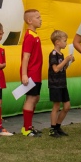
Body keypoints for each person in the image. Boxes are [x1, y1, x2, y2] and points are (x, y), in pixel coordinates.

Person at [19, 9, 45, 137]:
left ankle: (28, 125)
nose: (40, 19)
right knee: (31, 98)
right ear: (29, 21)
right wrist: (24, 74)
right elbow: (26, 57)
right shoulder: (29, 36)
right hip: (31, 73)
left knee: (36, 98)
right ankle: (26, 128)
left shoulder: (35, 35)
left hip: (36, 73)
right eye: (37, 17)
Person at [47, 30, 73, 137]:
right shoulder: (53, 54)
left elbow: (62, 68)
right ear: (57, 42)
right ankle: (53, 129)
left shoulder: (61, 54)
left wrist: (68, 62)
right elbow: (56, 69)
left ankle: (58, 126)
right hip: (55, 84)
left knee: (67, 106)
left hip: (62, 84)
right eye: (64, 41)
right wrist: (65, 59)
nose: (66, 43)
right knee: (56, 106)